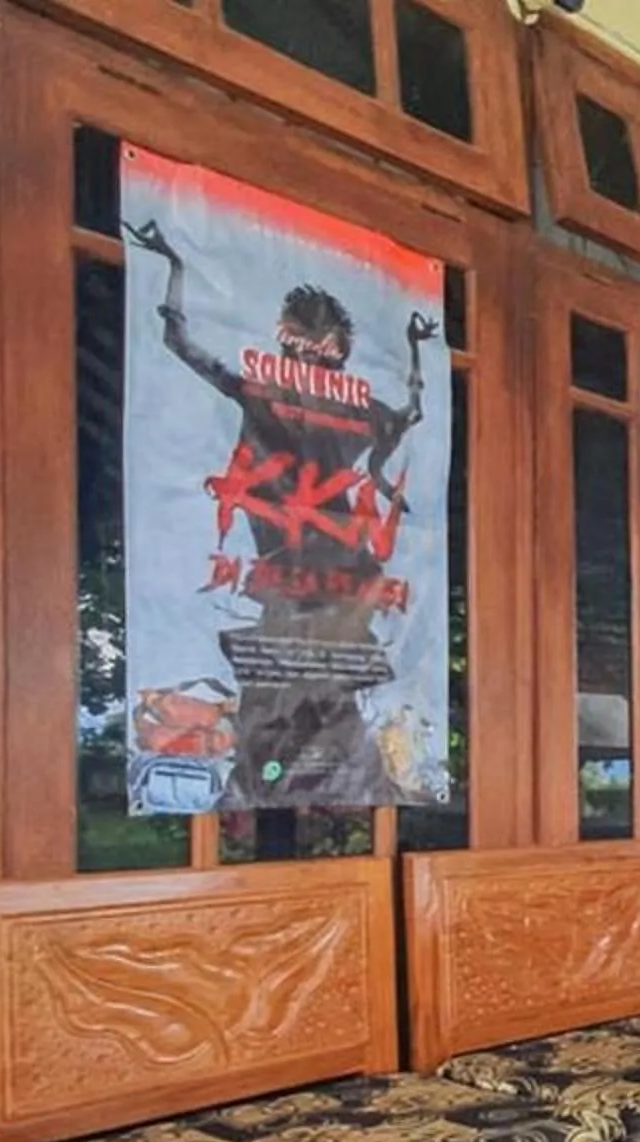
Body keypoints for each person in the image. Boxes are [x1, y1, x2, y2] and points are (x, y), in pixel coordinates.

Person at [125, 216, 436, 807]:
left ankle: (278, 798)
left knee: (304, 698)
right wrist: (171, 260)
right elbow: (414, 408)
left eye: (324, 354)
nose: (315, 366)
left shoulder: (285, 397)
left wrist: (173, 264)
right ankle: (277, 799)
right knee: (291, 699)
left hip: (328, 577)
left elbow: (180, 341)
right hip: (318, 578)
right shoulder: (282, 397)